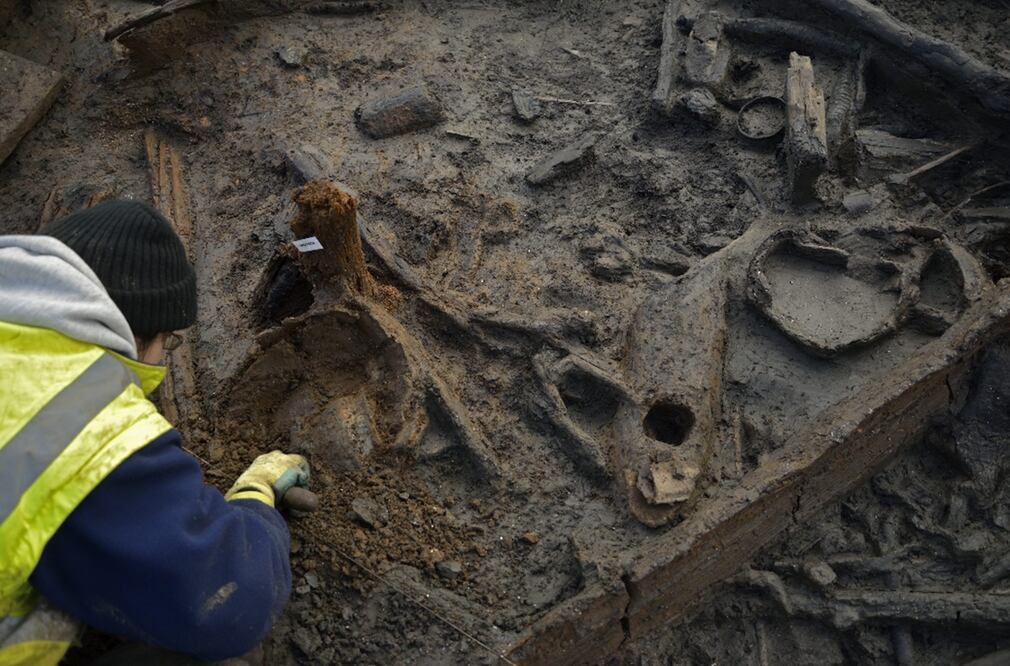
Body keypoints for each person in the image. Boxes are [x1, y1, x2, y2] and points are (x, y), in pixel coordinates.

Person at [0, 200, 310, 665]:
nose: (165, 357)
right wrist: (255, 497)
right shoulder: (86, 425)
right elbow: (232, 598)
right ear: (138, 332)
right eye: (169, 342)